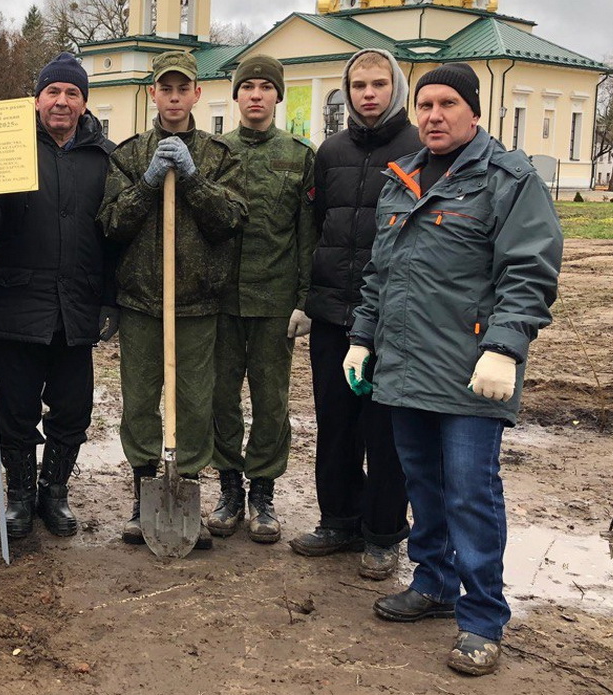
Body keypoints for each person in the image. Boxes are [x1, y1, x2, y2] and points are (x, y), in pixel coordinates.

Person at [347, 62, 563, 676]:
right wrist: (362, 339)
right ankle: (435, 581)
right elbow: (381, 274)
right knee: (423, 483)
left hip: (472, 369)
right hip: (406, 366)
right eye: (425, 106)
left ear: (474, 111)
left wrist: (505, 346)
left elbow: (529, 272)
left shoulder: (507, 179)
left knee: (471, 492)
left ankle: (482, 619)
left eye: (447, 104)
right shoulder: (404, 177)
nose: (434, 116)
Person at [0, 52, 116, 539]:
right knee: (16, 410)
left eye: (72, 93)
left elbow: (113, 235)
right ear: (36, 99)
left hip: (76, 307)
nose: (62, 102)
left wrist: (110, 300)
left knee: (73, 410)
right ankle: (20, 496)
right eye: (53, 92)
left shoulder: (105, 158)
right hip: (15, 303)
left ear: (85, 102)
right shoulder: (7, 149)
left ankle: (55, 491)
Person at [98, 51, 246, 549]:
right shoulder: (129, 155)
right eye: (167, 88)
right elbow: (112, 224)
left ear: (198, 94)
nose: (175, 97)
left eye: (184, 88)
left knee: (194, 404)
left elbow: (229, 221)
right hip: (142, 303)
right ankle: (144, 498)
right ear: (154, 94)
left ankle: (187, 493)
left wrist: (192, 179)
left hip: (198, 304)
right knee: (140, 403)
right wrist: (145, 186)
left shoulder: (218, 156)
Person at [290, 49, 421, 578]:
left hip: (393, 317)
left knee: (384, 427)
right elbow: (323, 223)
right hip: (332, 311)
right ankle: (337, 519)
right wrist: (310, 298)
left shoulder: (418, 147)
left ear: (397, 89)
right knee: (336, 420)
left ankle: (383, 532)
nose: (368, 93)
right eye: (359, 84)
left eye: (379, 84)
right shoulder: (331, 150)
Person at [209, 54, 316, 545]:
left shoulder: (299, 155)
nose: (255, 95)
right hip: (220, 301)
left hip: (275, 301)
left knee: (270, 401)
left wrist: (305, 299)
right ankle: (229, 488)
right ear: (235, 96)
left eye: (264, 87)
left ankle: (263, 494)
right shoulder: (215, 151)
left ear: (278, 96)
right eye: (247, 87)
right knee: (220, 398)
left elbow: (307, 234)